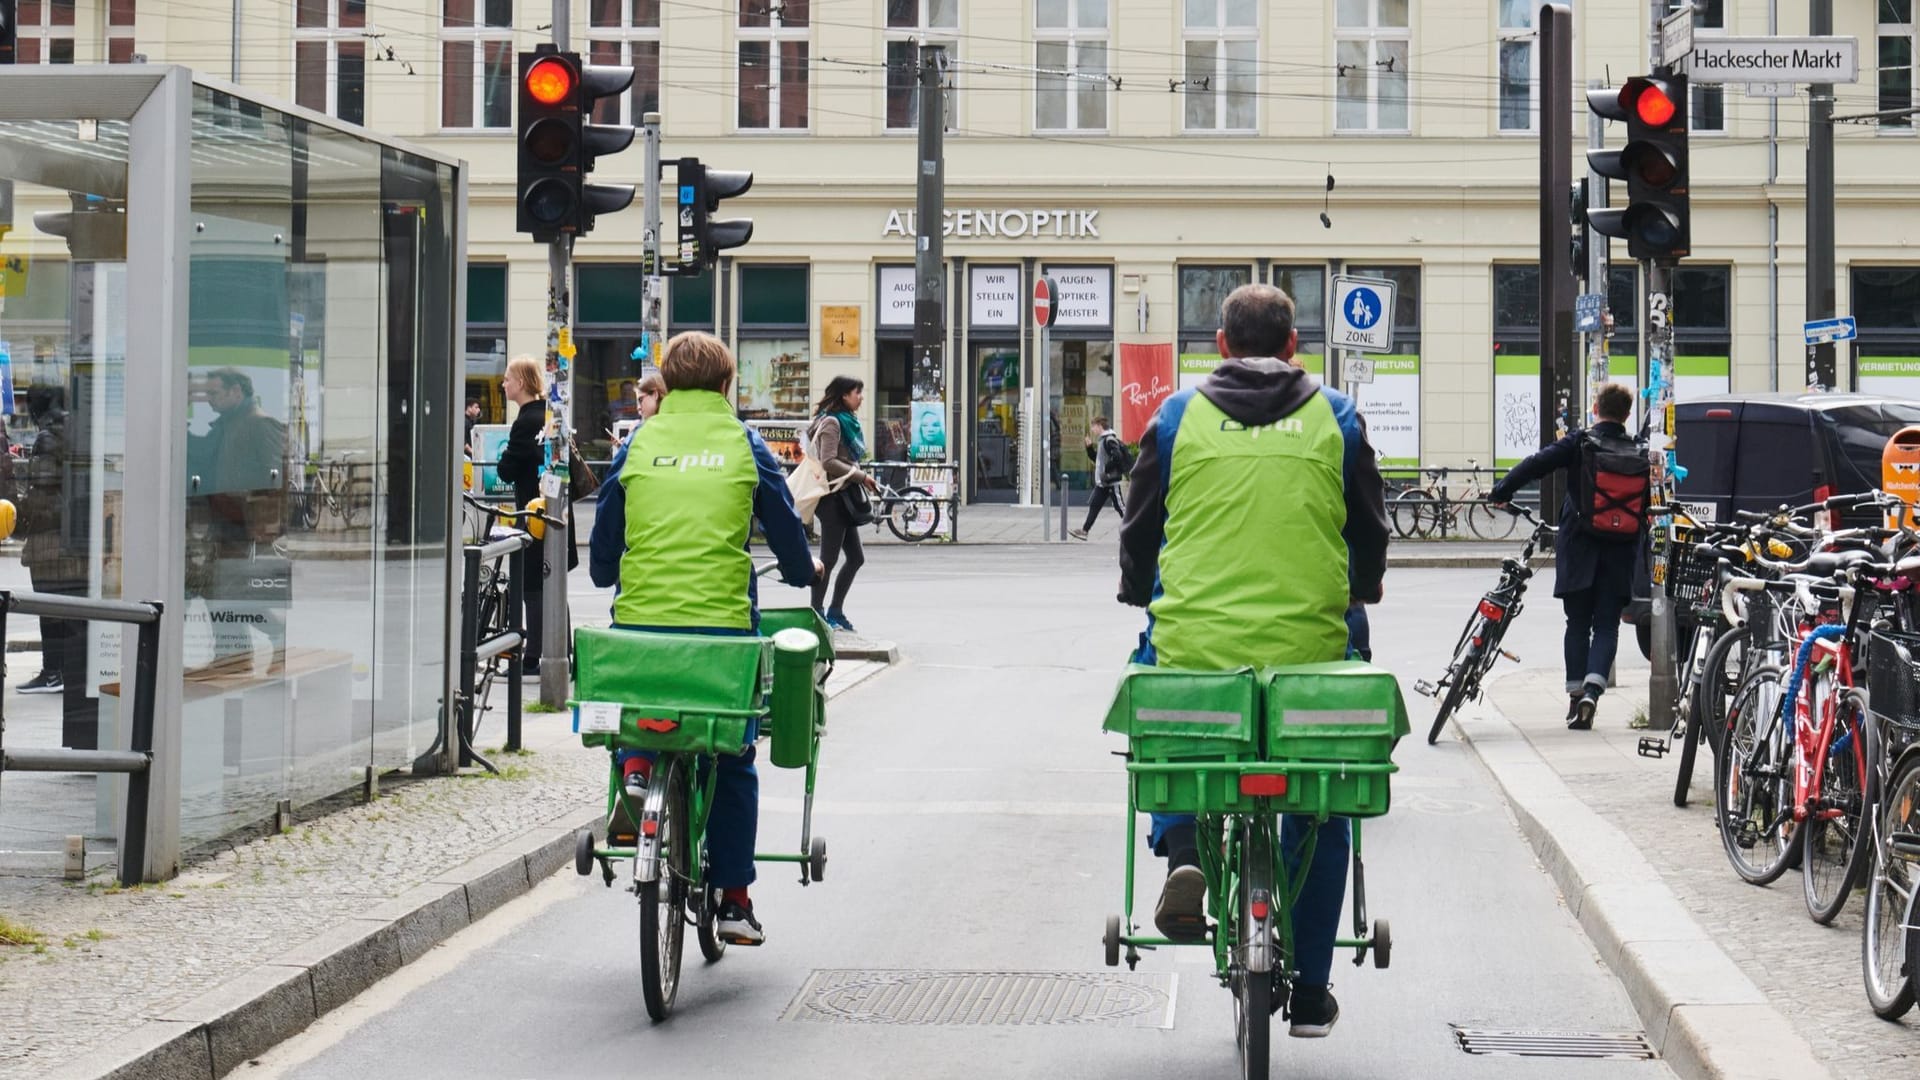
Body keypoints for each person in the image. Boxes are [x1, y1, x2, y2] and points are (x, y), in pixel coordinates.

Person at [1117, 283, 1389, 1039]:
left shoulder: (1176, 414)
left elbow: (1142, 527)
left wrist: (1138, 591)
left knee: (1166, 708)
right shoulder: (1336, 413)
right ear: (1295, 345)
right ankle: (1310, 990)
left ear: (1221, 345)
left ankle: (1180, 850)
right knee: (1322, 798)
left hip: (1200, 645)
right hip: (1311, 649)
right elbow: (1368, 521)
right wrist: (1361, 589)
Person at [588, 332, 820, 947]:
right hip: (720, 636)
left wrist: (611, 572)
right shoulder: (746, 445)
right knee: (733, 756)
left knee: (638, 709)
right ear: (726, 387)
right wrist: (803, 571)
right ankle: (735, 902)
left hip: (638, 630)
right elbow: (786, 534)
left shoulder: (636, 444)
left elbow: (603, 551)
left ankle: (636, 771)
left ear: (663, 386)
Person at [1488, 382, 1645, 730]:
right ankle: (1593, 690)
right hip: (1619, 552)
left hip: (1579, 548)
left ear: (1595, 408)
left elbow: (1536, 463)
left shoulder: (1580, 442)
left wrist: (1502, 490)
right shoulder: (1639, 452)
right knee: (1606, 626)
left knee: (1577, 624)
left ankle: (1576, 701)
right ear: (1627, 414)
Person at [18, 388, 85, 700]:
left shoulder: (47, 437)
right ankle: (66, 670)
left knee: (48, 607)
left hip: (49, 535)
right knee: (68, 608)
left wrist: (22, 510)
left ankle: (52, 671)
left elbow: (42, 489)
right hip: (71, 534)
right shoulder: (74, 430)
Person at [494, 355, 550, 679]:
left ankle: (531, 659)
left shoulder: (526, 421)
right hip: (552, 509)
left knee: (530, 583)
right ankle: (560, 649)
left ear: (522, 383)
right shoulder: (547, 414)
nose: (503, 385)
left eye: (507, 379)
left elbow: (507, 468)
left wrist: (504, 457)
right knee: (550, 581)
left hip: (532, 513)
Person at [808, 376, 877, 633]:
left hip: (844, 497)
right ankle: (816, 614)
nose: (860, 397)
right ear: (844, 395)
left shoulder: (847, 422)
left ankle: (835, 610)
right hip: (832, 499)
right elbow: (828, 461)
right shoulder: (832, 423)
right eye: (857, 392)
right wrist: (861, 475)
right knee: (828, 559)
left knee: (856, 558)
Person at [1071, 416, 1128, 540]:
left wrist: (1106, 470)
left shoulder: (1109, 439)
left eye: (1093, 426)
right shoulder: (1103, 440)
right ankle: (1084, 531)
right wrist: (1089, 447)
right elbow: (1097, 459)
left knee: (1120, 507)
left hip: (1111, 481)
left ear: (1099, 426)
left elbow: (1117, 457)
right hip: (1103, 482)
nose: (1092, 429)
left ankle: (1132, 530)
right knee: (1095, 506)